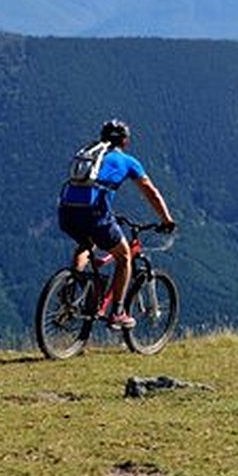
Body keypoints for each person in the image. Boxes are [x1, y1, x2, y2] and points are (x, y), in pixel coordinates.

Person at [57, 119, 176, 329]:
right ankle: (118, 313)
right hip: (95, 214)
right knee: (124, 257)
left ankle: (71, 288)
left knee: (85, 245)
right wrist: (167, 220)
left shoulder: (90, 153)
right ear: (125, 141)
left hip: (66, 210)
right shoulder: (128, 162)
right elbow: (152, 194)